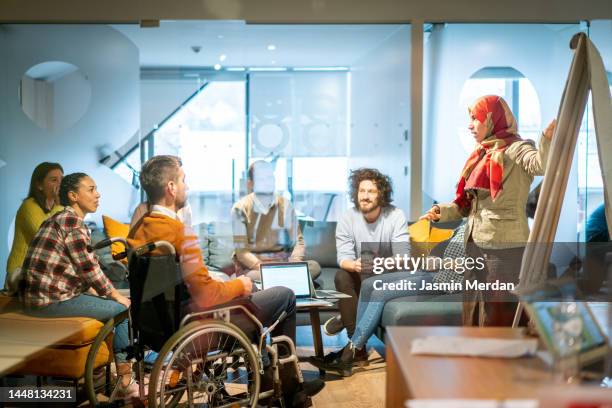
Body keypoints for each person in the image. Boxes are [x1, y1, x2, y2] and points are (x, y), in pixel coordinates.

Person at [127, 155, 323, 406]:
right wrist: (239, 284)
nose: (188, 186)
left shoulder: (140, 229)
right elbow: (207, 296)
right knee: (284, 295)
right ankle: (290, 389)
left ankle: (268, 383)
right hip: (197, 327)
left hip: (157, 328)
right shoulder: (178, 232)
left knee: (252, 300)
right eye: (184, 180)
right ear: (171, 188)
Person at [421, 95, 555, 326]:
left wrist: (547, 139)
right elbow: (467, 206)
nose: (470, 124)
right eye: (470, 118)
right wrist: (440, 212)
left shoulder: (516, 148)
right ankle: (474, 356)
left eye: (476, 118)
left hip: (504, 248)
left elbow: (541, 164)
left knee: (498, 312)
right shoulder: (481, 153)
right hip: (474, 244)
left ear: (494, 120)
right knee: (473, 306)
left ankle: (500, 359)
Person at [21, 173, 136, 398]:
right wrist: (114, 295)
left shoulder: (59, 219)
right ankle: (124, 376)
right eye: (91, 189)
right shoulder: (72, 222)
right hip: (50, 301)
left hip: (42, 297)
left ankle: (104, 375)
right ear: (74, 196)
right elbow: (89, 269)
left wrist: (103, 294)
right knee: (124, 308)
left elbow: (78, 271)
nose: (98, 194)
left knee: (111, 300)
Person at [310, 224, 467, 377]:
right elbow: (447, 249)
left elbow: (476, 264)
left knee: (380, 293)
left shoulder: (483, 229)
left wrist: (441, 262)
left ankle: (349, 354)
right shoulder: (465, 222)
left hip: (446, 280)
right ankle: (353, 348)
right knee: (367, 284)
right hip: (430, 271)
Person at [322, 168, 409, 362]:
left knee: (370, 268)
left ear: (381, 195)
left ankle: (346, 322)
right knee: (341, 276)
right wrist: (354, 265)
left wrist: (377, 264)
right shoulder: (348, 217)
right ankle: (357, 344)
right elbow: (343, 257)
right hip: (361, 273)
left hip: (388, 276)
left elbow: (403, 257)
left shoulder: (396, 216)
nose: (365, 196)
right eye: (362, 191)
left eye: (371, 191)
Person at [232, 160, 321, 281]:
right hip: (255, 267)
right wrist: (263, 267)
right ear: (250, 184)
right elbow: (242, 252)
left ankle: (281, 281)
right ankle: (290, 282)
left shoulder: (285, 205)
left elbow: (298, 241)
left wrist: (294, 263)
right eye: (261, 179)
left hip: (282, 264)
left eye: (270, 178)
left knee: (314, 267)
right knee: (251, 277)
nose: (267, 183)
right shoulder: (240, 208)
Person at [4, 162, 64, 294]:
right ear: (39, 185)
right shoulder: (29, 205)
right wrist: (60, 203)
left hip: (42, 272)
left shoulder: (56, 209)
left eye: (62, 180)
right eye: (54, 180)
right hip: (20, 271)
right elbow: (47, 238)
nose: (60, 184)